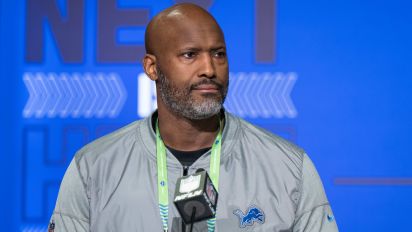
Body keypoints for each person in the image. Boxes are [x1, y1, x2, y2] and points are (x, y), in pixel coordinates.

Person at [49, 3, 338, 232]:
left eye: (219, 54)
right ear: (152, 67)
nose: (209, 69)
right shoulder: (92, 167)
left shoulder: (289, 167)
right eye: (190, 55)